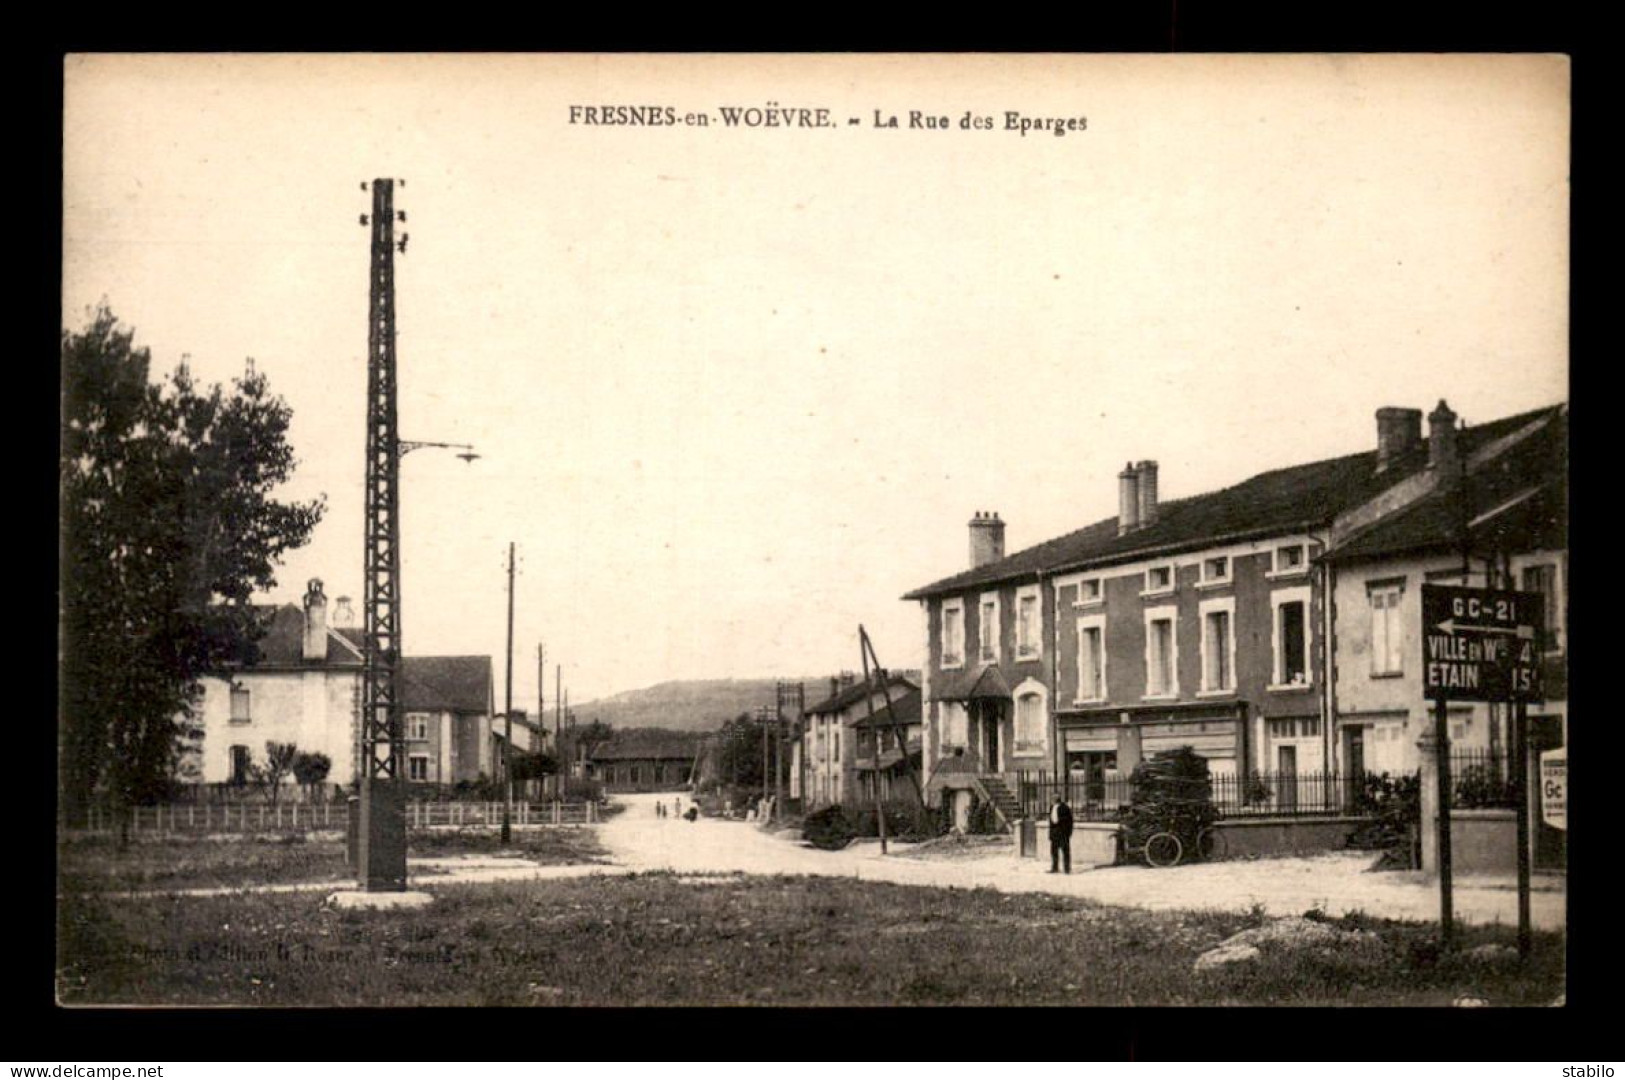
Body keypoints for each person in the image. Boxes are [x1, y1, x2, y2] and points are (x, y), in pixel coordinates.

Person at [1048, 790, 1074, 874]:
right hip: (1055, 832)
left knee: (1065, 851)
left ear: (1058, 799)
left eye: (1055, 798)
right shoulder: (1051, 807)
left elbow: (1070, 821)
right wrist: (1050, 833)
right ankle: (1055, 867)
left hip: (1063, 832)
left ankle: (1067, 868)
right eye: (1052, 797)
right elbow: (1051, 822)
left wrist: (1069, 833)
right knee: (1054, 851)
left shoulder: (1065, 807)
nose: (1053, 799)